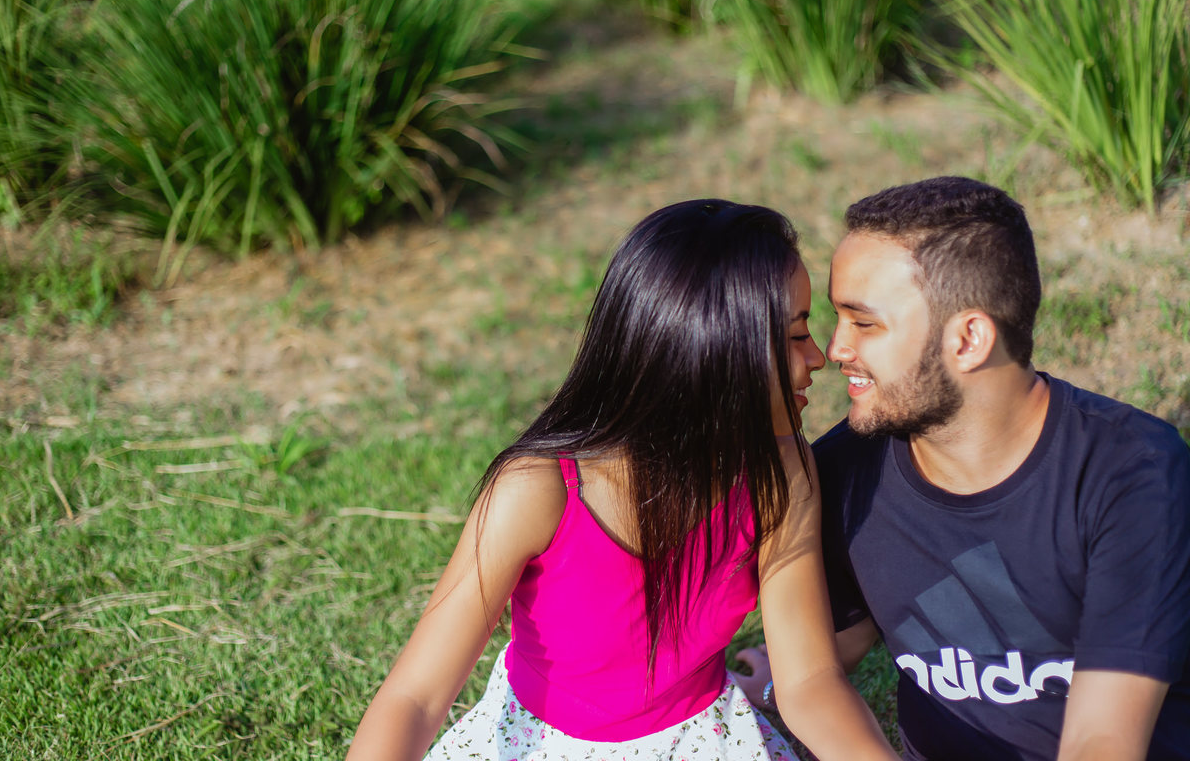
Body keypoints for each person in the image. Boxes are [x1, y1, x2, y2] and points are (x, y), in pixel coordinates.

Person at [345, 199, 899, 761]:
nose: (819, 357)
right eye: (796, 335)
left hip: (701, 742)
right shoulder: (538, 490)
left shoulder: (781, 473)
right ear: (713, 354)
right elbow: (416, 696)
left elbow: (808, 683)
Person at [736, 177, 1190, 760]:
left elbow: (1101, 742)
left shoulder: (1130, 475)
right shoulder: (846, 472)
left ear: (970, 338)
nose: (833, 349)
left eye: (864, 322)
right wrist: (773, 685)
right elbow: (825, 657)